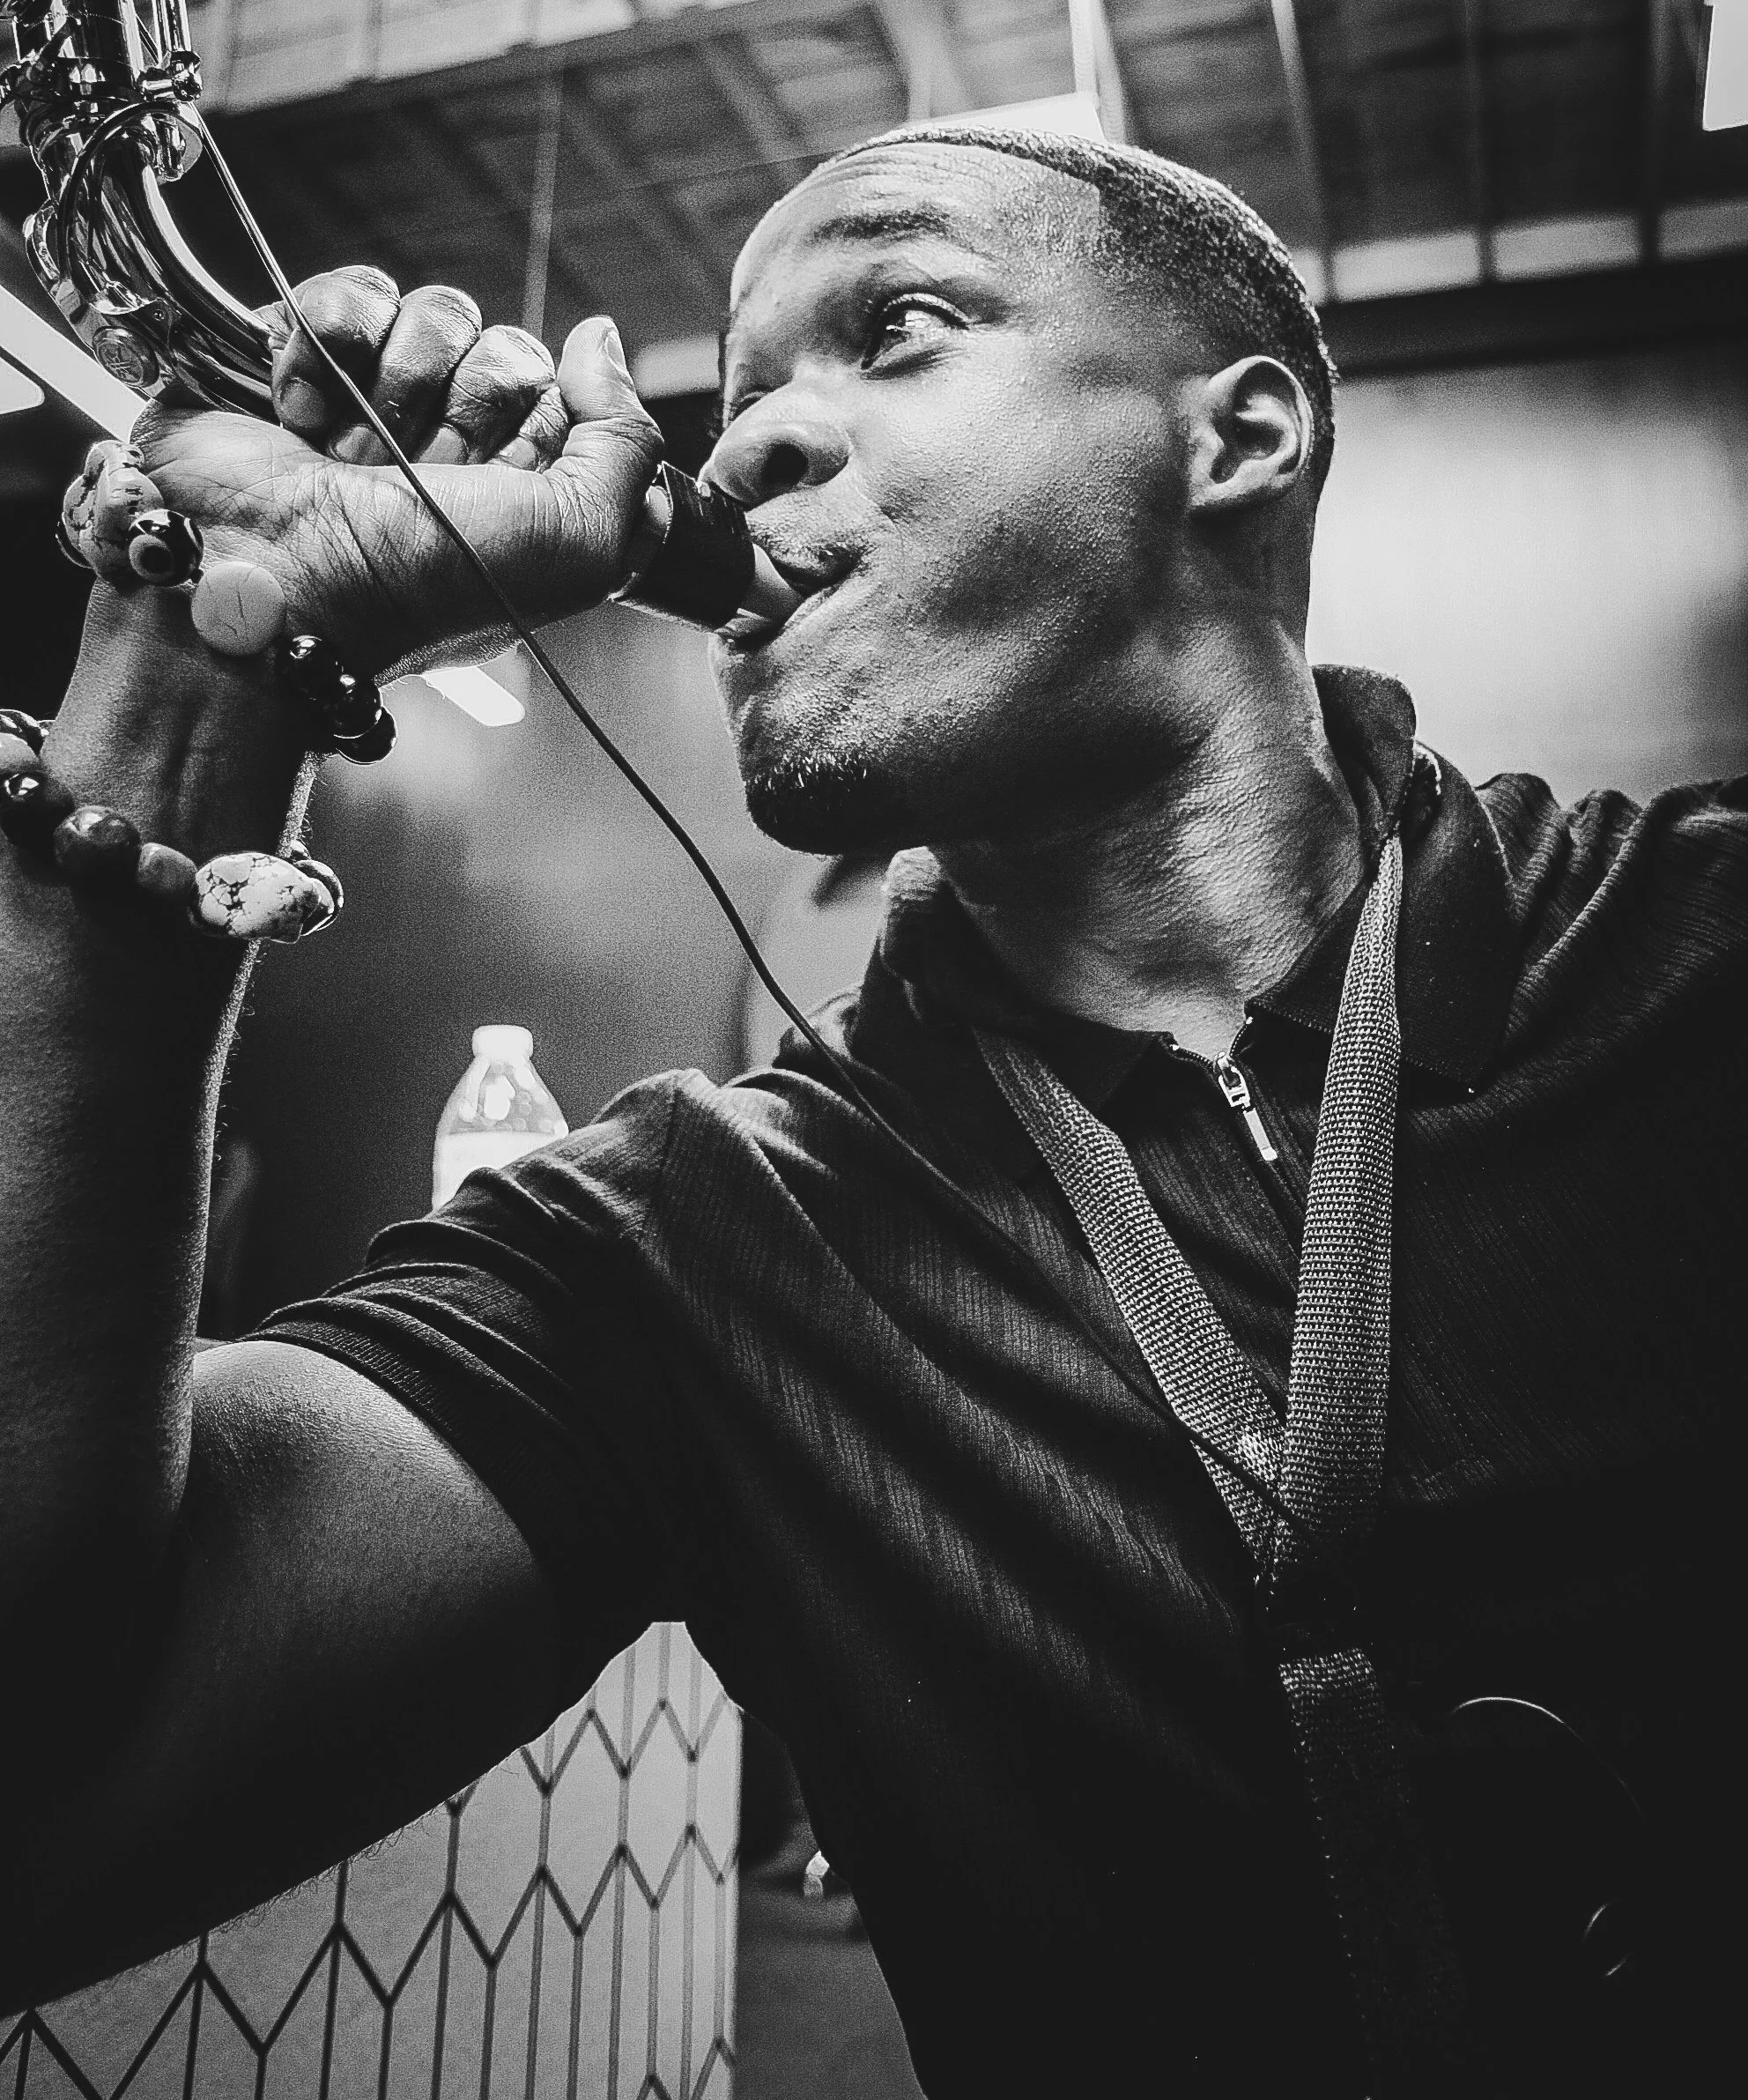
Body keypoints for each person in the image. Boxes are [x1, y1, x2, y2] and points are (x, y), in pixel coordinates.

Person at [0, 126, 1739, 2096]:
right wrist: (195, 676)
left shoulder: (1696, 954)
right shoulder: (693, 1243)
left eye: (896, 325)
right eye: (733, 401)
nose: (737, 450)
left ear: (1238, 438)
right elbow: (42, 1791)